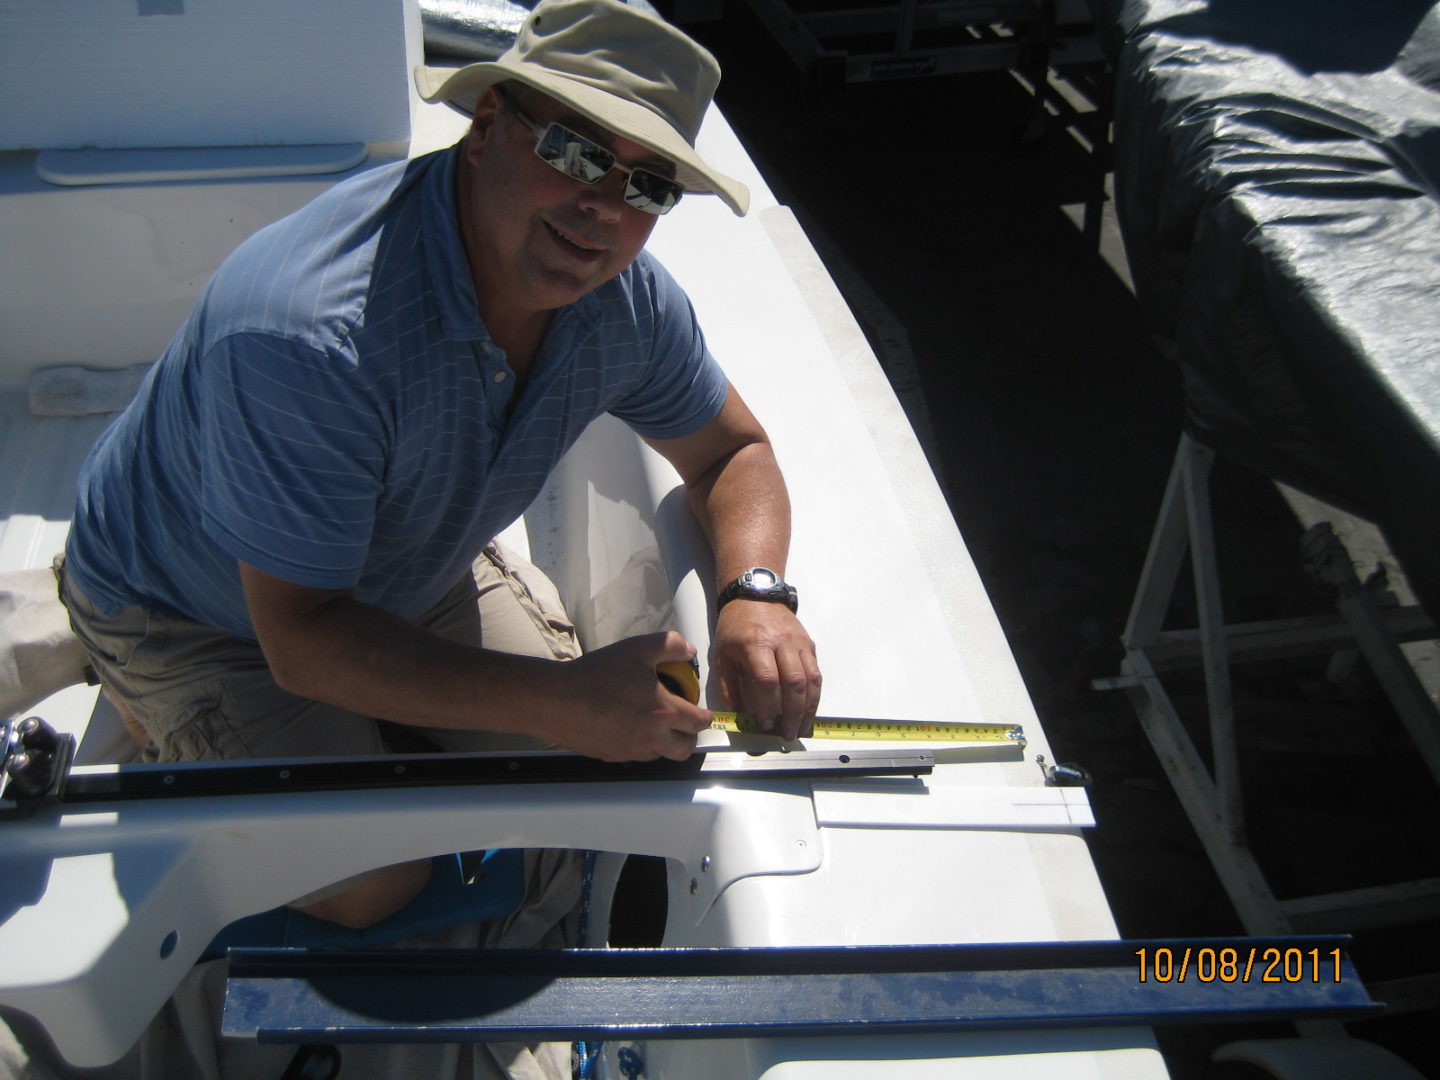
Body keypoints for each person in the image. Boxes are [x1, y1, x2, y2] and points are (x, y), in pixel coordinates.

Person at [57, 0, 821, 935]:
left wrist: (755, 592)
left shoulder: (625, 301)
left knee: (580, 773)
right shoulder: (312, 336)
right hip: (195, 612)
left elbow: (734, 453)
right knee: (378, 884)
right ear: (487, 124)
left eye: (648, 186)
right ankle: (133, 687)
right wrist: (561, 702)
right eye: (575, 153)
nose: (603, 208)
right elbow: (300, 639)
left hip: (395, 570)